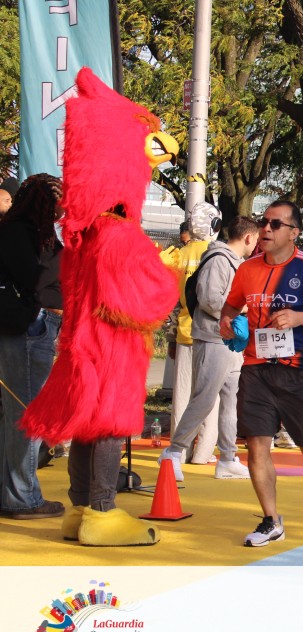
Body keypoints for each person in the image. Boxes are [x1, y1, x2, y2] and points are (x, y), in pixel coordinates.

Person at [21, 68, 180, 546]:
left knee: (88, 425)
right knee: (109, 423)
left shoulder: (85, 235)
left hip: (82, 342)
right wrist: (166, 277)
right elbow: (137, 297)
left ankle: (79, 509)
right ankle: (103, 511)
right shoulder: (118, 233)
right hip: (112, 347)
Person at [220, 200, 303, 547]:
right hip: (256, 369)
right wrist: (227, 320)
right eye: (264, 222)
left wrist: (302, 317)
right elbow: (231, 304)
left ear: (294, 233)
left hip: (299, 371)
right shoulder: (247, 269)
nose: (266, 229)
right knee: (257, 446)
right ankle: (271, 520)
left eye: (275, 224)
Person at [158, 215, 259, 481]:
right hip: (214, 337)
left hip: (228, 340)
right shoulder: (219, 260)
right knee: (204, 398)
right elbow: (210, 299)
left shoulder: (231, 260)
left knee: (229, 400)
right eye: (256, 239)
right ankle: (173, 451)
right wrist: (243, 308)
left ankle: (227, 457)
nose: (256, 244)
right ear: (248, 237)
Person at [0, 174, 64, 519]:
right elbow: (36, 279)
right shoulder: (18, 231)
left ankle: (12, 493)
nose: (61, 211)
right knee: (27, 415)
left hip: (34, 326)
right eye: (57, 204)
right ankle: (22, 498)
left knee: (18, 414)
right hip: (28, 327)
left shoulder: (31, 232)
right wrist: (66, 257)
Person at [160, 202, 222, 464]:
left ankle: (179, 450)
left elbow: (170, 299)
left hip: (185, 331)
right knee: (209, 396)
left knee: (182, 397)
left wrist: (171, 335)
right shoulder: (218, 253)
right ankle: (203, 452)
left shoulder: (178, 254)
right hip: (211, 333)